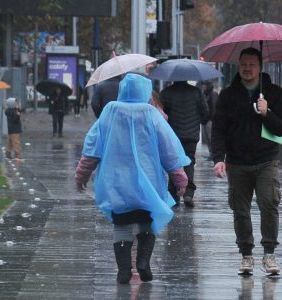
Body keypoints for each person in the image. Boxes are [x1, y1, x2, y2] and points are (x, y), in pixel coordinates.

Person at [74, 73, 190, 284]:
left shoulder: (110, 112)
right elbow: (169, 149)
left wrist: (82, 175)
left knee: (122, 224)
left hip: (116, 182)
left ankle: (124, 269)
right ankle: (143, 262)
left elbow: (92, 147)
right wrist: (180, 178)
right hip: (147, 181)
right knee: (146, 221)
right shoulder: (151, 114)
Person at [211, 47, 282, 276]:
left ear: (260, 67)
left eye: (252, 64)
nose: (247, 69)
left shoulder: (273, 93)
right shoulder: (228, 95)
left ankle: (269, 253)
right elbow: (219, 129)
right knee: (240, 210)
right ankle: (246, 254)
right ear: (239, 66)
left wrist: (267, 113)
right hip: (237, 163)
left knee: (269, 204)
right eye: (243, 64)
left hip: (266, 160)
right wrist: (219, 159)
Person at [160, 80, 209, 208]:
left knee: (173, 163)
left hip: (173, 135)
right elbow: (205, 113)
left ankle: (174, 194)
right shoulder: (196, 92)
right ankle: (188, 193)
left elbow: (162, 114)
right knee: (189, 162)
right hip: (191, 136)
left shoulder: (166, 93)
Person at [200, 80, 219, 160]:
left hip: (210, 120)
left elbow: (214, 107)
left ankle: (214, 154)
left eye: (205, 85)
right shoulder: (205, 94)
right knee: (207, 138)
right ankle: (211, 153)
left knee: (211, 138)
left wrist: (210, 119)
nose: (203, 86)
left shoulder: (213, 94)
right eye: (203, 84)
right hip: (205, 120)